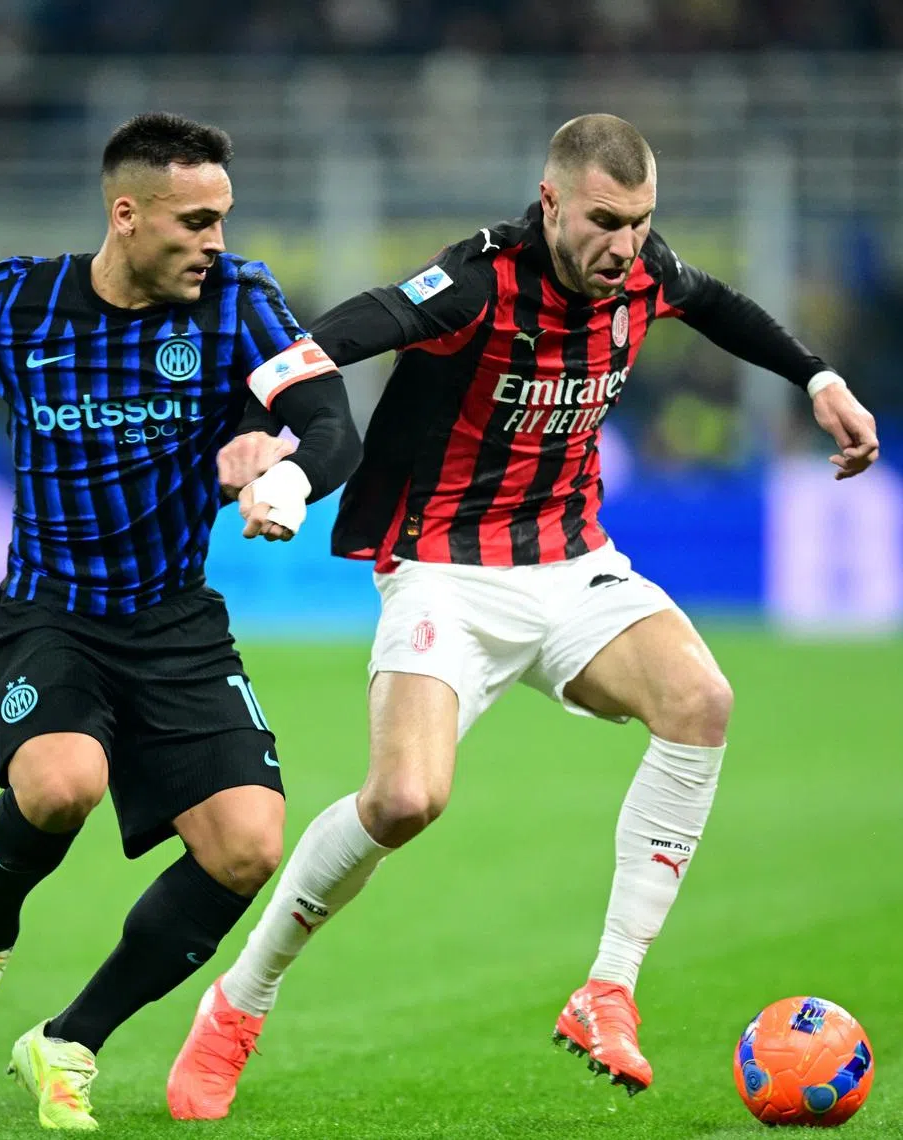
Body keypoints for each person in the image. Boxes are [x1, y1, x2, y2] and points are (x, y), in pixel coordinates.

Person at [165, 113, 880, 1119]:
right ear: (550, 204)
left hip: (573, 563)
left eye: (639, 222)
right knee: (404, 802)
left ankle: (608, 989)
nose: (624, 245)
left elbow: (717, 304)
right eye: (603, 221)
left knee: (701, 699)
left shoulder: (643, 271)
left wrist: (819, 377)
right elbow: (352, 328)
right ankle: (240, 1002)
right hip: (443, 573)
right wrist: (260, 427)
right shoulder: (477, 281)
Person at [0, 112, 360, 1131]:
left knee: (249, 848)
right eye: (196, 220)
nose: (216, 240)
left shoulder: (240, 303)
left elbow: (332, 423)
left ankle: (68, 1041)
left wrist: (288, 478)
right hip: (52, 612)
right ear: (128, 215)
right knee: (61, 785)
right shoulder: (17, 300)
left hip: (176, 621)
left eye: (225, 218)